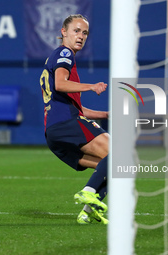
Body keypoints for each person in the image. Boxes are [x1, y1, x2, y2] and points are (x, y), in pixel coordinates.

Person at [39, 14, 109, 224]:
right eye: (76, 31)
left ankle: (88, 212)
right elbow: (60, 84)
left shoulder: (57, 57)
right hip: (67, 124)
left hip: (54, 133)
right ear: (64, 32)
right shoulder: (64, 53)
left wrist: (106, 115)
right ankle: (89, 191)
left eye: (85, 32)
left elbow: (75, 107)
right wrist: (91, 86)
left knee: (114, 166)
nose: (81, 36)